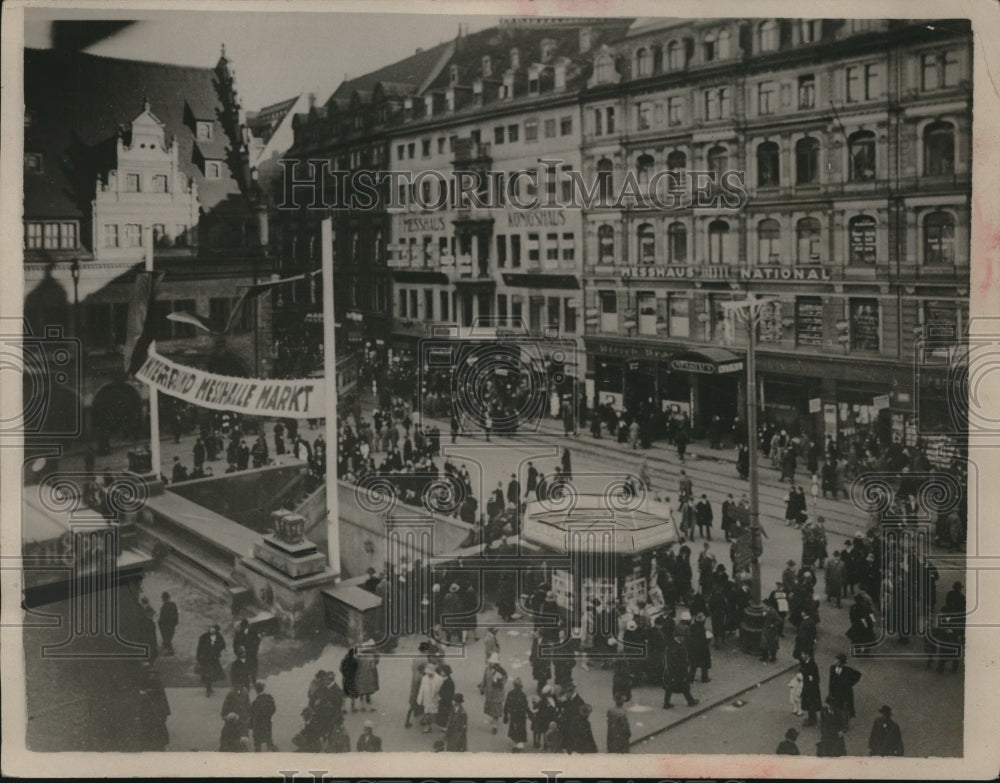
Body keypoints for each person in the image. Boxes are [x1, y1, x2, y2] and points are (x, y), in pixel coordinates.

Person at [136, 665, 171, 751]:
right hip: (154, 709)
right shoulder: (154, 679)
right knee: (154, 726)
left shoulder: (153, 680)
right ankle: (157, 744)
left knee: (154, 726)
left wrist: (145, 693)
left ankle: (156, 745)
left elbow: (159, 696)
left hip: (154, 709)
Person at [662, 633, 699, 709]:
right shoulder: (678, 646)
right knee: (683, 685)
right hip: (679, 670)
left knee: (670, 687)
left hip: (673, 670)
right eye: (682, 637)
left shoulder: (670, 646)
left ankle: (666, 703)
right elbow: (680, 659)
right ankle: (690, 701)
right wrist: (685, 667)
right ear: (678, 637)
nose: (683, 638)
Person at [828, 653, 862, 728]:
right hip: (835, 692)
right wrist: (830, 692)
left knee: (845, 710)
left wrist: (851, 683)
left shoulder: (847, 670)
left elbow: (858, 674)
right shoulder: (832, 668)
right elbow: (831, 681)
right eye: (835, 659)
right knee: (836, 708)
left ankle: (845, 725)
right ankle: (838, 723)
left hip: (845, 693)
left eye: (837, 660)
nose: (835, 661)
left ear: (841, 662)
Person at [481, 652, 508, 734]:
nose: (492, 663)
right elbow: (484, 679)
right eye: (491, 662)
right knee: (491, 708)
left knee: (496, 709)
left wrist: (500, 682)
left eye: (493, 662)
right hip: (489, 693)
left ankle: (494, 726)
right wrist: (482, 687)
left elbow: (505, 679)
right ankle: (494, 719)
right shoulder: (487, 669)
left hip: (497, 693)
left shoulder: (501, 670)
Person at [196, 624, 226, 696]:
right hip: (205, 658)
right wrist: (198, 657)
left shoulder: (219, 637)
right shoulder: (204, 637)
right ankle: (208, 689)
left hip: (214, 659)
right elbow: (199, 648)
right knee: (207, 673)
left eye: (214, 629)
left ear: (217, 630)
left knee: (212, 673)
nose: (212, 630)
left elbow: (223, 645)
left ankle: (209, 687)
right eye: (211, 628)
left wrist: (218, 651)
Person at [249, 681, 277, 752]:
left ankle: (258, 756)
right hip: (267, 723)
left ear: (256, 691)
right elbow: (273, 709)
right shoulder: (269, 697)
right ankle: (270, 751)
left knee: (257, 743)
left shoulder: (255, 702)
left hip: (258, 725)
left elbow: (252, 715)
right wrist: (268, 715)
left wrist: (250, 725)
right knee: (268, 739)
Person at [503, 678, 530, 750]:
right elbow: (526, 706)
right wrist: (530, 715)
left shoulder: (511, 694)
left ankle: (515, 744)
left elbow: (507, 705)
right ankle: (518, 744)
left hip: (514, 715)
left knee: (514, 729)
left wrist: (506, 715)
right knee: (520, 729)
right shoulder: (523, 695)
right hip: (521, 715)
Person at [799, 651, 822, 727]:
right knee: (809, 703)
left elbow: (816, 678)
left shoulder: (812, 664)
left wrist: (812, 679)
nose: (802, 656)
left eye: (803, 654)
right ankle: (811, 718)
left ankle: (812, 720)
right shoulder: (805, 663)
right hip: (807, 686)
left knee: (811, 703)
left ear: (807, 655)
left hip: (812, 688)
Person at [340, 647, 361, 711]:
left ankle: (343, 708)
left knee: (345, 693)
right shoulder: (355, 661)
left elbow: (341, 669)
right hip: (352, 679)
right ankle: (352, 708)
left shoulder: (344, 660)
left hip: (345, 679)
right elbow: (357, 671)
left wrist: (345, 675)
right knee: (352, 693)